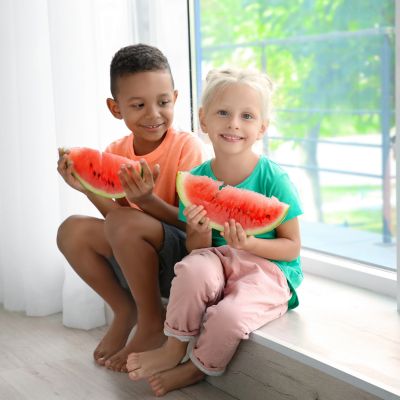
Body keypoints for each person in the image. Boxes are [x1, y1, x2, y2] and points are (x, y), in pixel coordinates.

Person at [125, 68, 303, 396]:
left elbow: (292, 248)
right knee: (191, 268)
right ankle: (174, 348)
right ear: (204, 120)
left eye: (246, 116)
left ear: (261, 128)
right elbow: (197, 250)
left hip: (269, 272)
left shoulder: (274, 179)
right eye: (223, 113)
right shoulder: (194, 179)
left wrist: (250, 243)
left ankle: (197, 368)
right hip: (217, 259)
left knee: (230, 316)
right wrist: (198, 230)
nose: (234, 123)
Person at [56, 44, 203, 373]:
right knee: (71, 230)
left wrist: (149, 201)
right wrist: (86, 187)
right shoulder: (116, 151)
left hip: (179, 254)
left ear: (175, 99)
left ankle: (152, 321)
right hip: (136, 254)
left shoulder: (186, 146)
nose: (153, 114)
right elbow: (115, 220)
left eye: (163, 102)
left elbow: (191, 226)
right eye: (138, 105)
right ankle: (125, 310)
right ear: (115, 108)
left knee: (126, 220)